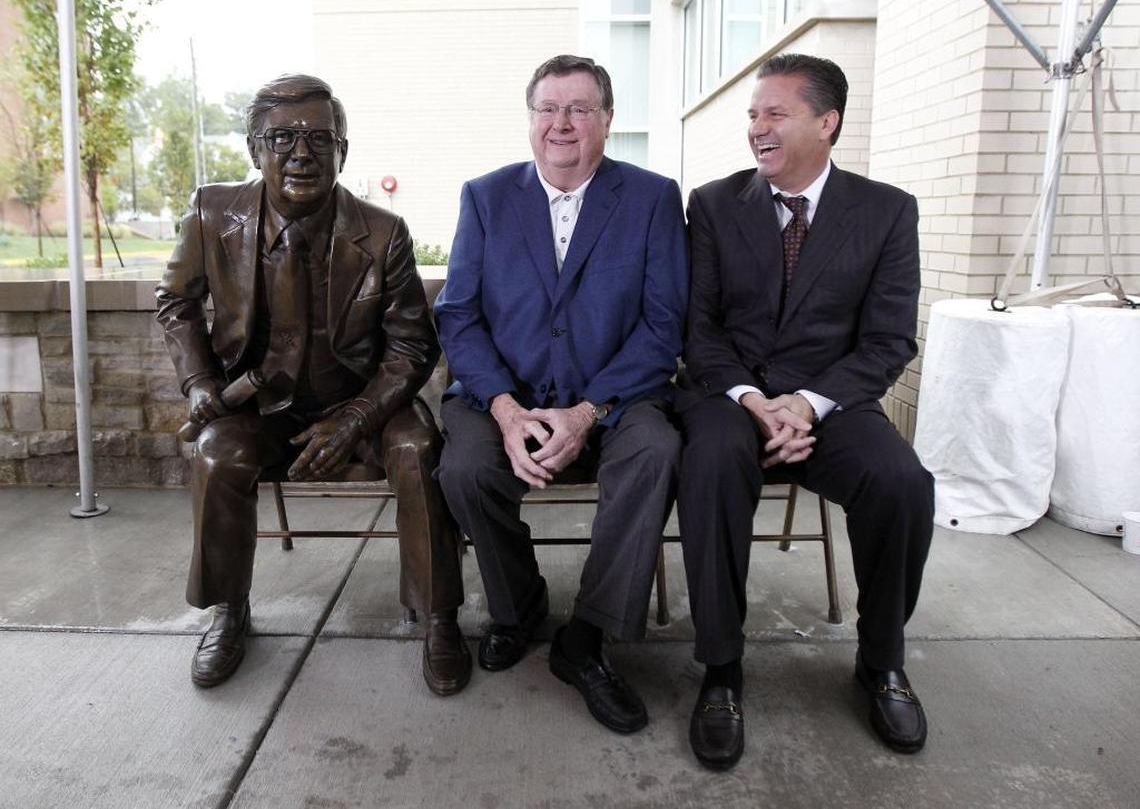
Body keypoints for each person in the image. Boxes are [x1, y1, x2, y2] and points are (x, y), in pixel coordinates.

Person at [156, 74, 470, 697]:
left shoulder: (383, 232)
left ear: (343, 152)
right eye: (283, 137)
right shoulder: (210, 213)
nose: (302, 153)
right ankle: (229, 611)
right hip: (260, 404)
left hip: (366, 401)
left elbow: (412, 345)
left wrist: (358, 417)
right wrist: (197, 383)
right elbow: (175, 303)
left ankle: (439, 616)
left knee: (419, 449)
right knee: (218, 454)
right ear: (255, 149)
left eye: (320, 139)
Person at [678, 53, 935, 768]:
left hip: (831, 401)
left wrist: (809, 404)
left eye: (774, 113)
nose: (757, 127)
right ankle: (722, 667)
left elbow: (888, 340)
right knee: (712, 461)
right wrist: (757, 400)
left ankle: (881, 659)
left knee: (902, 481)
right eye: (753, 115)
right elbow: (698, 330)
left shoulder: (887, 212)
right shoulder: (712, 202)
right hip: (734, 395)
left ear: (827, 123)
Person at [434, 55, 688, 734]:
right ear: (530, 120)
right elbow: (458, 314)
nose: (562, 123)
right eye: (548, 108)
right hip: (504, 395)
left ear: (608, 120)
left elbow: (664, 324)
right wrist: (505, 408)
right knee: (463, 466)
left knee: (657, 449)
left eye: (579, 108)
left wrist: (587, 410)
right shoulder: (486, 197)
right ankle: (518, 608)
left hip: (615, 400)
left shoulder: (652, 197)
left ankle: (589, 638)